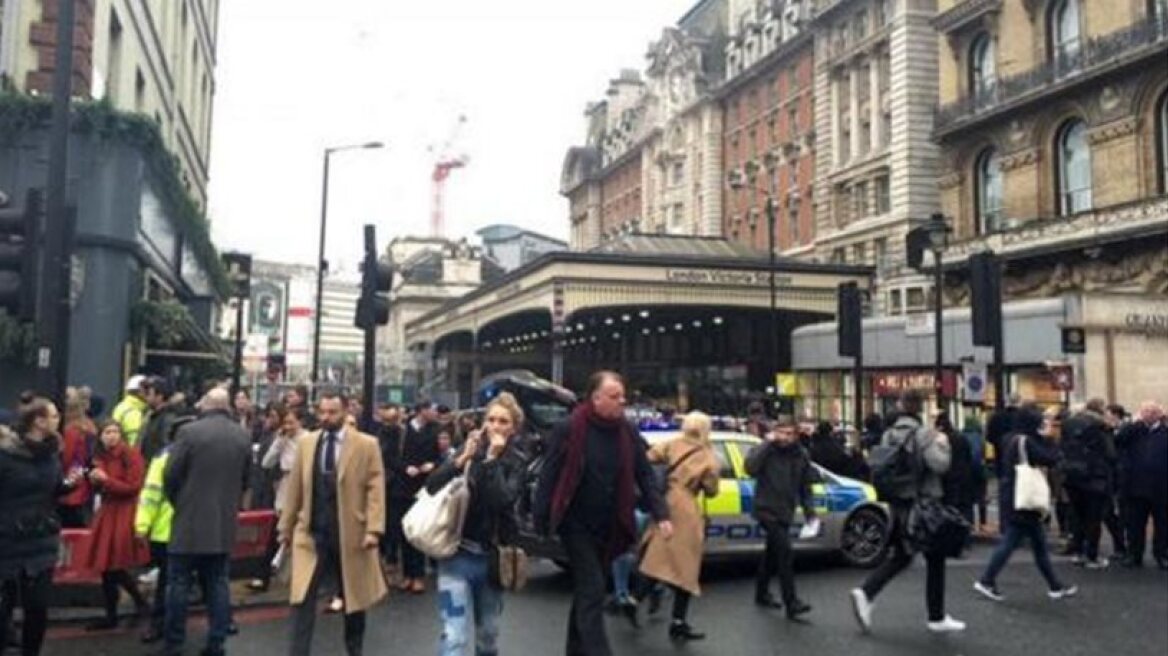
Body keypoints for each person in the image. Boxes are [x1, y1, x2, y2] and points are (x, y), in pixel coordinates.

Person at [534, 370, 670, 656]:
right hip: (575, 523)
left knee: (587, 592)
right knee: (594, 587)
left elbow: (645, 474)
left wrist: (661, 514)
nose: (622, 401)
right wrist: (541, 517)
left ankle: (574, 650)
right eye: (614, 396)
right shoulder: (570, 428)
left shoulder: (627, 432)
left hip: (609, 524)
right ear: (595, 398)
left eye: (623, 396)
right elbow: (549, 474)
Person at [280, 392, 387, 656]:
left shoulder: (366, 445)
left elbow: (375, 489)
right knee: (302, 597)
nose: (326, 417)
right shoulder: (307, 443)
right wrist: (285, 528)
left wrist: (373, 529)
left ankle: (354, 649)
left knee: (354, 599)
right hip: (311, 533)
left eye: (332, 412)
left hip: (350, 534)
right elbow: (295, 488)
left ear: (346, 411)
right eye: (323, 412)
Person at [850, 390, 962, 634]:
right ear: (920, 408)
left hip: (899, 501)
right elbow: (940, 465)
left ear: (901, 407)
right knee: (935, 556)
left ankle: (868, 592)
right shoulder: (925, 434)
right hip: (924, 502)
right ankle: (936, 616)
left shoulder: (889, 434)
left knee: (902, 554)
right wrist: (943, 445)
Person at [425, 393, 529, 656]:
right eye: (491, 419)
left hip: (491, 560)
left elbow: (502, 500)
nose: (495, 426)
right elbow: (432, 486)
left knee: (488, 636)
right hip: (455, 556)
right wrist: (460, 460)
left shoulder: (517, 461)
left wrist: (492, 460)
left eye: (503, 421)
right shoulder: (469, 449)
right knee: (454, 636)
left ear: (513, 428)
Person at [161, 388, 252, 656]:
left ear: (207, 405)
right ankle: (216, 642)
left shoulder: (189, 432)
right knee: (218, 583)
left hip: (188, 521)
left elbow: (170, 475)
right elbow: (247, 479)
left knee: (178, 583)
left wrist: (179, 502)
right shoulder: (242, 435)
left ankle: (174, 642)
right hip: (223, 523)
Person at [1, 397, 82, 656]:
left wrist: (69, 484)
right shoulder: (6, 455)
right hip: (7, 541)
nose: (59, 420)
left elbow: (53, 490)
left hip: (41, 541)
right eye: (54, 416)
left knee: (37, 608)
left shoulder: (51, 454)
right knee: (3, 608)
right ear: (38, 421)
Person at [973, 404, 1079, 601]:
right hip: (1024, 498)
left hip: (1014, 495)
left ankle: (1055, 585)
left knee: (1036, 544)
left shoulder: (1010, 439)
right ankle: (987, 580)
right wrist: (1051, 439)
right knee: (1012, 542)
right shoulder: (1027, 441)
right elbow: (1050, 458)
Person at [631, 411, 720, 641]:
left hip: (662, 502)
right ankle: (678, 621)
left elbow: (647, 459)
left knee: (658, 558)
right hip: (686, 508)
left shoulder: (670, 444)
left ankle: (634, 599)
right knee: (685, 566)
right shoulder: (707, 455)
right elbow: (711, 489)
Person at [83, 421, 151, 631]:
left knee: (113, 564)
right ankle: (131, 607)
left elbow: (133, 487)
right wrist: (93, 480)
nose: (111, 436)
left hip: (124, 511)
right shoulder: (99, 457)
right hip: (109, 509)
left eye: (115, 432)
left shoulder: (131, 455)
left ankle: (130, 607)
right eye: (107, 432)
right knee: (107, 566)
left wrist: (105, 481)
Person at [746, 417, 816, 619]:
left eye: (789, 433)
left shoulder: (801, 455)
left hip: (785, 510)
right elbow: (750, 468)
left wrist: (810, 513)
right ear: (774, 432)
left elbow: (805, 487)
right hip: (766, 509)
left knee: (772, 553)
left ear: (796, 435)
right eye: (781, 432)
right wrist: (767, 443)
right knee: (785, 552)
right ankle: (791, 602)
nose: (785, 437)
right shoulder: (766, 450)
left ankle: (761, 593)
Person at [250, 406, 305, 592]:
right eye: (285, 423)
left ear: (300, 422)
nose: (288, 427)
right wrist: (279, 442)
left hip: (302, 488)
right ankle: (262, 576)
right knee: (276, 532)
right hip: (285, 487)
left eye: (291, 423)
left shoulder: (307, 439)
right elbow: (266, 462)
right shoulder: (281, 440)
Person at [1060, 399, 1116, 568]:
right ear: (1101, 410)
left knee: (1078, 516)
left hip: (1072, 475)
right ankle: (1091, 555)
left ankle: (1078, 552)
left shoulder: (1068, 424)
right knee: (1093, 518)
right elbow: (1110, 453)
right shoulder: (1100, 426)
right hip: (1094, 477)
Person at [393, 401, 441, 593]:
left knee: (420, 530)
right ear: (422, 411)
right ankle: (407, 574)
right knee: (405, 531)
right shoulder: (403, 431)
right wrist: (405, 467)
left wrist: (432, 465)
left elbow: (439, 456)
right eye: (432, 409)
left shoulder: (434, 430)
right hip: (403, 486)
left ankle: (418, 575)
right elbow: (392, 457)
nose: (435, 413)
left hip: (423, 487)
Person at [135, 434, 176, 644]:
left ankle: (160, 625)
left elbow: (151, 495)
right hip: (199, 530)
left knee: (167, 582)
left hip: (165, 531)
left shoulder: (163, 457)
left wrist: (142, 526)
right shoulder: (207, 454)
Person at [1116, 401, 1167, 569]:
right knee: (1135, 524)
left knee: (1163, 524)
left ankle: (1162, 554)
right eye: (1145, 411)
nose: (1149, 414)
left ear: (1159, 414)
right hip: (1136, 486)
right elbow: (1118, 440)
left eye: (1152, 411)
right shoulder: (1134, 431)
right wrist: (1133, 423)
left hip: (1162, 487)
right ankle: (1134, 555)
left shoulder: (1165, 432)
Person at [59, 386, 96, 528]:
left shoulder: (70, 431)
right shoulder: (89, 426)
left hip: (69, 491)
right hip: (83, 487)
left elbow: (66, 459)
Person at [938, 412, 976, 550]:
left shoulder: (941, 440)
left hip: (949, 479)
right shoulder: (961, 438)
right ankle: (967, 538)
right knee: (966, 508)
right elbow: (969, 457)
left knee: (950, 509)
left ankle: (952, 539)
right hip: (965, 477)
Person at [139, 378, 182, 463]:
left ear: (159, 396)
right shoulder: (151, 415)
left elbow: (166, 449)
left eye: (149, 394)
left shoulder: (168, 419)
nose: (145, 397)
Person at [960, 417, 989, 533]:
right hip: (979, 471)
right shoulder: (979, 438)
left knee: (968, 499)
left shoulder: (962, 436)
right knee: (982, 497)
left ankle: (970, 523)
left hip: (966, 472)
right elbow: (979, 456)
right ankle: (982, 523)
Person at [986, 393, 1022, 476]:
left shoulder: (996, 417)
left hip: (1000, 456)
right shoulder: (1023, 417)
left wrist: (998, 442)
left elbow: (989, 437)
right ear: (1019, 402)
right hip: (1019, 458)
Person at [112, 374, 150, 450]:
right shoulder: (133, 412)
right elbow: (134, 440)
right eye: (147, 390)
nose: (149, 393)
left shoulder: (122, 406)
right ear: (140, 392)